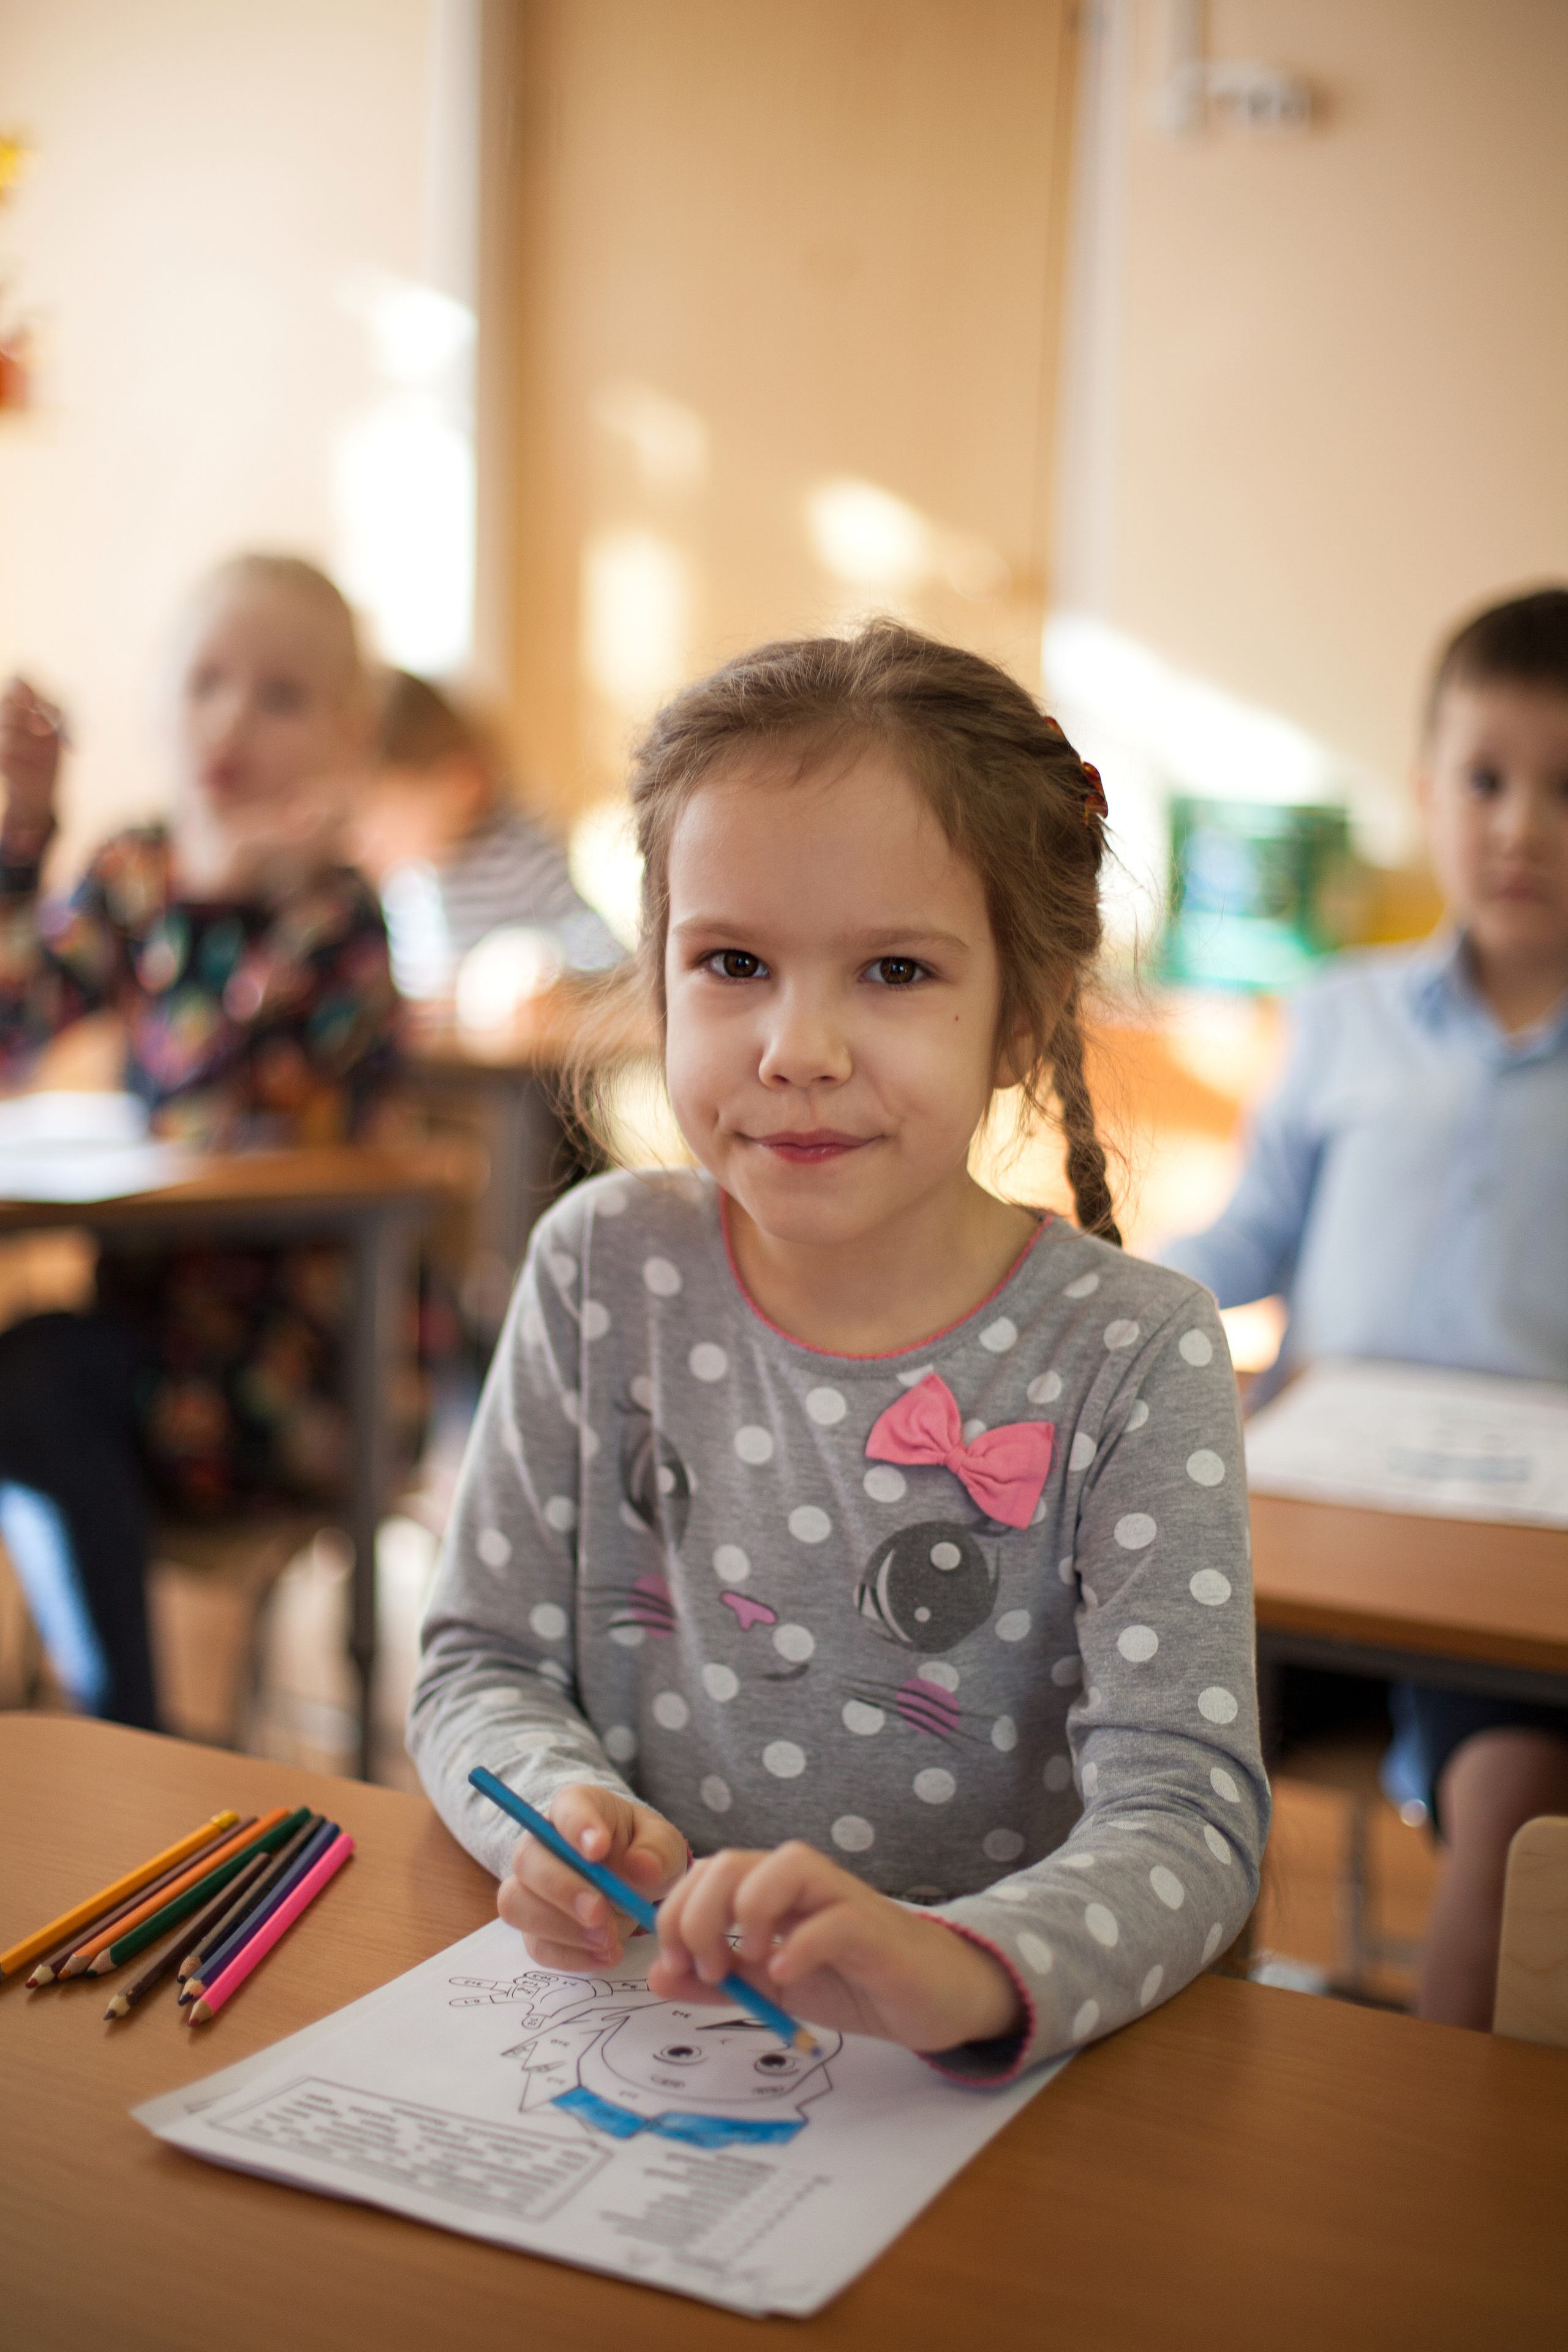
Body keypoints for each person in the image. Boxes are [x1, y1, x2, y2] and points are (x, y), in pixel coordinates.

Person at [409, 622, 1265, 2075]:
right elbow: (476, 1663)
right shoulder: (601, 1266)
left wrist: (963, 1969)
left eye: (892, 970)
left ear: (1023, 1014)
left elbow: (1184, 1816)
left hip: (990, 2107)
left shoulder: (1133, 1352)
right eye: (732, 960)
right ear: (660, 977)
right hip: (635, 2040)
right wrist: (560, 1810)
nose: (795, 1044)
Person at [1161, 586, 1568, 2028]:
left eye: (1563, 787)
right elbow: (1247, 1234)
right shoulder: (1336, 1016)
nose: (1519, 823)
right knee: (1142, 1736)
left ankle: (1436, 2163)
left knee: (1514, 1805)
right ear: (1422, 795)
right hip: (1316, 1523)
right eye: (1483, 779)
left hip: (1516, 1563)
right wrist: (1101, 1281)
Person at [0, 554, 398, 1727]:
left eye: (281, 698)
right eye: (207, 683)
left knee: (32, 1385)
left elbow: (214, 1102)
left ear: (348, 738)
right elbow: (14, 1024)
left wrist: (236, 890)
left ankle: (129, 1731)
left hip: (294, 1366)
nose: (233, 721)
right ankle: (119, 1721)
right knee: (34, 1378)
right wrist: (24, 841)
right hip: (141, 1338)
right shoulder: (134, 869)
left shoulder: (338, 912)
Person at [349, 669, 624, 1002]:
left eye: (381, 819)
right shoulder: (404, 882)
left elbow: (612, 960)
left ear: (460, 785)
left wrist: (545, 968)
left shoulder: (521, 857)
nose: (359, 843)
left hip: (521, 1054)